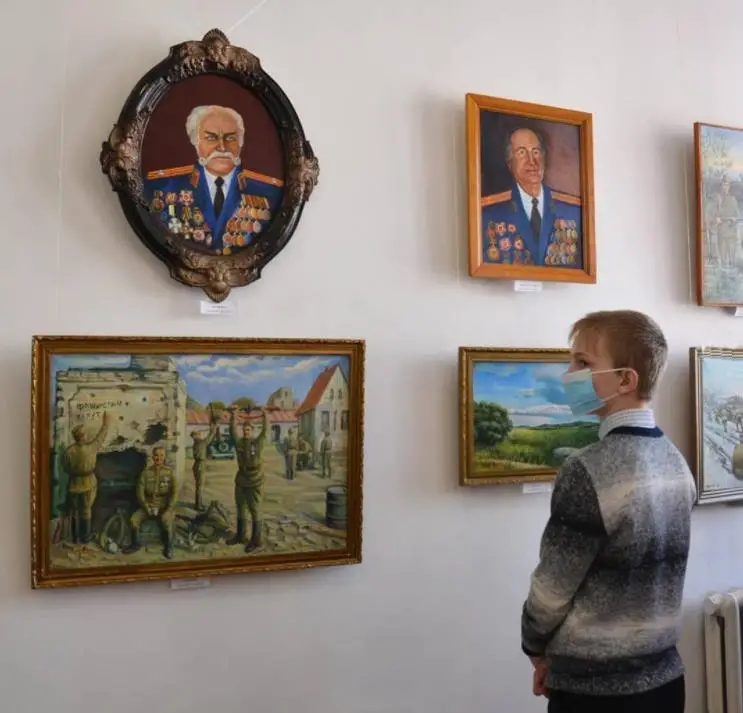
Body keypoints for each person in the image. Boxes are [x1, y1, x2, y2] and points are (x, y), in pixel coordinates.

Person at [521, 310, 696, 713]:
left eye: (582, 362)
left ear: (625, 380)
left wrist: (535, 647)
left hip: (595, 692)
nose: (569, 374)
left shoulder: (587, 469)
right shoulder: (676, 462)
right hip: (665, 682)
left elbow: (551, 591)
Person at [144, 104, 284, 255]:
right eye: (211, 138)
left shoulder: (269, 192)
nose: (222, 147)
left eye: (230, 138)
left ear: (241, 143)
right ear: (195, 142)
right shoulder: (163, 187)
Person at [481, 127, 582, 268]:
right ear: (510, 163)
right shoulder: (490, 214)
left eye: (536, 152)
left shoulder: (573, 212)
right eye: (521, 152)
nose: (532, 161)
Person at [61, 412, 113, 544]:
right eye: (86, 433)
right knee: (86, 510)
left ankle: (75, 538)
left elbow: (65, 467)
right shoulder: (91, 448)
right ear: (83, 436)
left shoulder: (68, 451)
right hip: (88, 483)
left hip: (73, 483)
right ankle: (85, 537)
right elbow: (101, 437)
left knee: (74, 511)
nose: (88, 435)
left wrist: (75, 472)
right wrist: (106, 424)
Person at [227, 406, 270, 552]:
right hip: (241, 478)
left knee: (255, 510)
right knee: (241, 508)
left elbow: (266, 431)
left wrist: (265, 415)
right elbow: (232, 431)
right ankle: (241, 536)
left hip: (255, 479)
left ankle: (257, 541)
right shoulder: (239, 443)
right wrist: (233, 415)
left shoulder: (258, 442)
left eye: (248, 430)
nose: (246, 432)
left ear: (253, 431)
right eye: (244, 430)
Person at [125, 447, 178, 559]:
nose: (159, 458)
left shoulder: (169, 473)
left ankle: (169, 547)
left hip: (164, 506)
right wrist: (146, 507)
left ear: (164, 457)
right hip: (148, 505)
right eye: (156, 455)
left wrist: (168, 508)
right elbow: (140, 493)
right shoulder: (145, 473)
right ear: (153, 457)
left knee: (167, 520)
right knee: (134, 519)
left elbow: (175, 493)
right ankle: (135, 544)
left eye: (161, 455)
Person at [190, 405, 219, 511]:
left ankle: (199, 503)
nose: (199, 435)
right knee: (200, 486)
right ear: (194, 436)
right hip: (200, 464)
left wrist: (212, 425)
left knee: (199, 486)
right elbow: (209, 437)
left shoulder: (197, 443)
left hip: (198, 464)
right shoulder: (199, 443)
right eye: (197, 434)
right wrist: (214, 427)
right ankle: (198, 505)